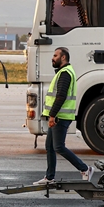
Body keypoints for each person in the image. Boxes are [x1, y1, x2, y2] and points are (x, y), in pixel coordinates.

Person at [33, 47, 93, 185]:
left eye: (55, 55)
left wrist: (52, 115)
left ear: (63, 57)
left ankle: (85, 169)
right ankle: (49, 177)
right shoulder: (62, 72)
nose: (52, 58)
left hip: (60, 117)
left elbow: (60, 96)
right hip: (58, 116)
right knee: (50, 146)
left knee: (58, 147)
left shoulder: (65, 73)